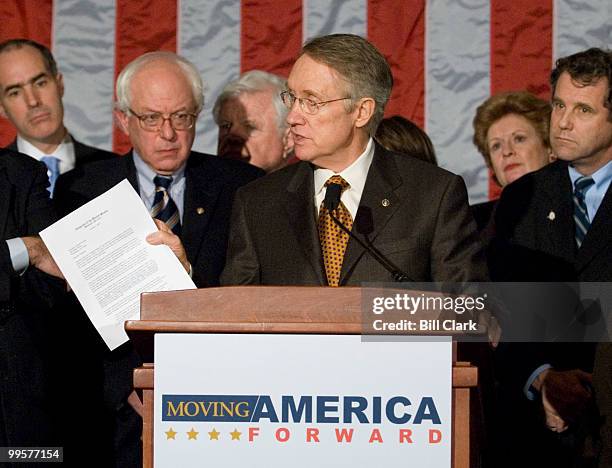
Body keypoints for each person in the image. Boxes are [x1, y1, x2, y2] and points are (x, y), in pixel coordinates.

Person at [54, 51, 262, 467]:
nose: (168, 133)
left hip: (220, 404)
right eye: (151, 118)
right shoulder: (81, 190)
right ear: (123, 119)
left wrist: (187, 273)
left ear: (197, 116)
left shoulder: (244, 188)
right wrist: (126, 384)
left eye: (181, 116)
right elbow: (68, 317)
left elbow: (253, 297)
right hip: (116, 413)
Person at [221, 33, 486, 287]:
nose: (292, 117)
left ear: (361, 112)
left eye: (311, 102)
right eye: (292, 98)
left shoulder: (433, 195)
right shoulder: (257, 202)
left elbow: (468, 308)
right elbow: (235, 313)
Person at [489, 47, 612, 467]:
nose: (562, 121)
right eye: (559, 104)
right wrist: (542, 377)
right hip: (534, 433)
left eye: (583, 109)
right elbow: (501, 305)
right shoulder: (522, 198)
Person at [0, 39, 114, 196]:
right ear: (1, 107)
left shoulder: (113, 170)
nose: (33, 101)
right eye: (15, 92)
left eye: (40, 83)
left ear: (59, 84)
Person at [471, 91, 554, 231]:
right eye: (496, 146)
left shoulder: (580, 209)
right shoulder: (474, 223)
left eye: (519, 139)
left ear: (550, 149)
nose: (507, 151)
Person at [213, 70, 294, 172]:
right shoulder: (200, 185)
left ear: (288, 139)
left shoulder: (310, 186)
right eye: (226, 125)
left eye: (250, 127)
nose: (232, 136)